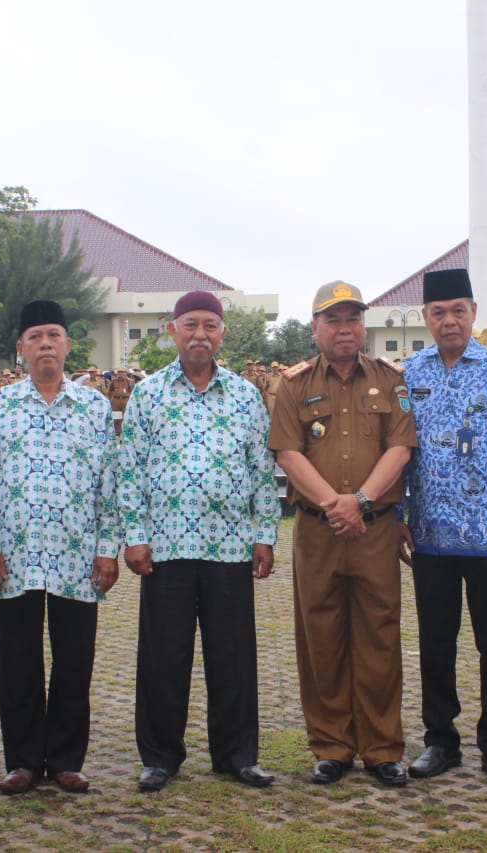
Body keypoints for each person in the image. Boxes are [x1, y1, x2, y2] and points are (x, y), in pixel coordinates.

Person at [118, 290, 280, 793]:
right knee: (164, 656)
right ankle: (161, 757)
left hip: (229, 546)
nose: (200, 335)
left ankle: (236, 755)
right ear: (172, 330)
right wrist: (136, 537)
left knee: (232, 656)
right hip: (165, 548)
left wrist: (265, 535)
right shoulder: (148, 395)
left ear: (222, 333)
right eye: (190, 325)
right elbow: (131, 470)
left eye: (210, 325)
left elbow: (262, 469)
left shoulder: (245, 395)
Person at [269, 281, 416, 788]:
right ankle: (331, 746)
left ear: (364, 326)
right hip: (318, 532)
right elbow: (288, 453)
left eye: (353, 318)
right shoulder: (293, 384)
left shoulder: (391, 381)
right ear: (315, 328)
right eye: (333, 320)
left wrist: (363, 503)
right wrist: (337, 506)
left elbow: (400, 448)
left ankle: (381, 748)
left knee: (379, 637)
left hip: (374, 531)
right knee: (322, 639)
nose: (344, 328)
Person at [0, 301, 121, 796]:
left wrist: (106, 548)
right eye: (35, 337)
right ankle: (22, 761)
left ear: (68, 344)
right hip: (13, 558)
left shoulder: (95, 406)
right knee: (17, 662)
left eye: (54, 335)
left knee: (74, 661)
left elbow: (109, 482)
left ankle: (66, 760)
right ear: (21, 349)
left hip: (76, 556)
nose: (46, 345)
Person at [400, 268, 487, 788]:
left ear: (474, 313)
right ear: (426, 319)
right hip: (431, 535)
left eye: (459, 310)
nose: (449, 320)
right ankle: (440, 740)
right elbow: (400, 452)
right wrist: (394, 516)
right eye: (439, 312)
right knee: (436, 643)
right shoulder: (409, 374)